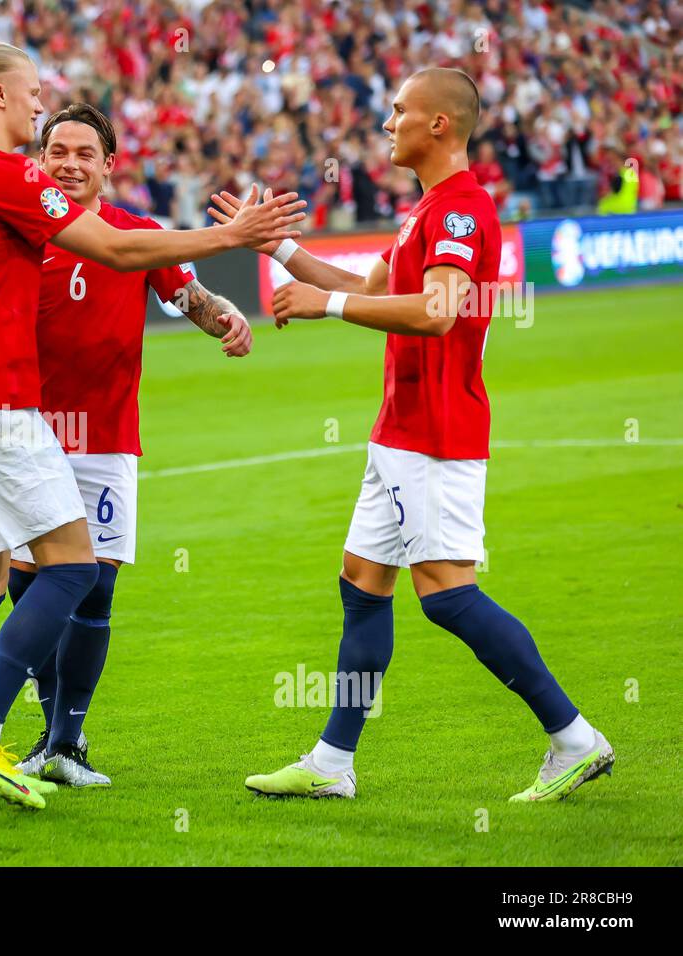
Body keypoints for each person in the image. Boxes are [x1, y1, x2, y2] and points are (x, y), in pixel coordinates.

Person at [0, 41, 304, 810]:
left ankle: (3, 755)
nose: (42, 109)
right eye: (35, 99)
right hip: (0, 410)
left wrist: (217, 307)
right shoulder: (5, 179)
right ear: (0, 98)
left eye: (82, 148)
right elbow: (112, 247)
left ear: (109, 164)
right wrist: (233, 236)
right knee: (70, 570)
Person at [216, 68, 613, 802]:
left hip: (435, 430)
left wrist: (322, 304)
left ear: (439, 125)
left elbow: (435, 312)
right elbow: (372, 290)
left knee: (447, 596)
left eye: (399, 111)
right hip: (400, 428)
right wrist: (276, 249)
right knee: (363, 585)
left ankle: (575, 738)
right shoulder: (424, 211)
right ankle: (333, 764)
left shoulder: (460, 211)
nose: (387, 122)